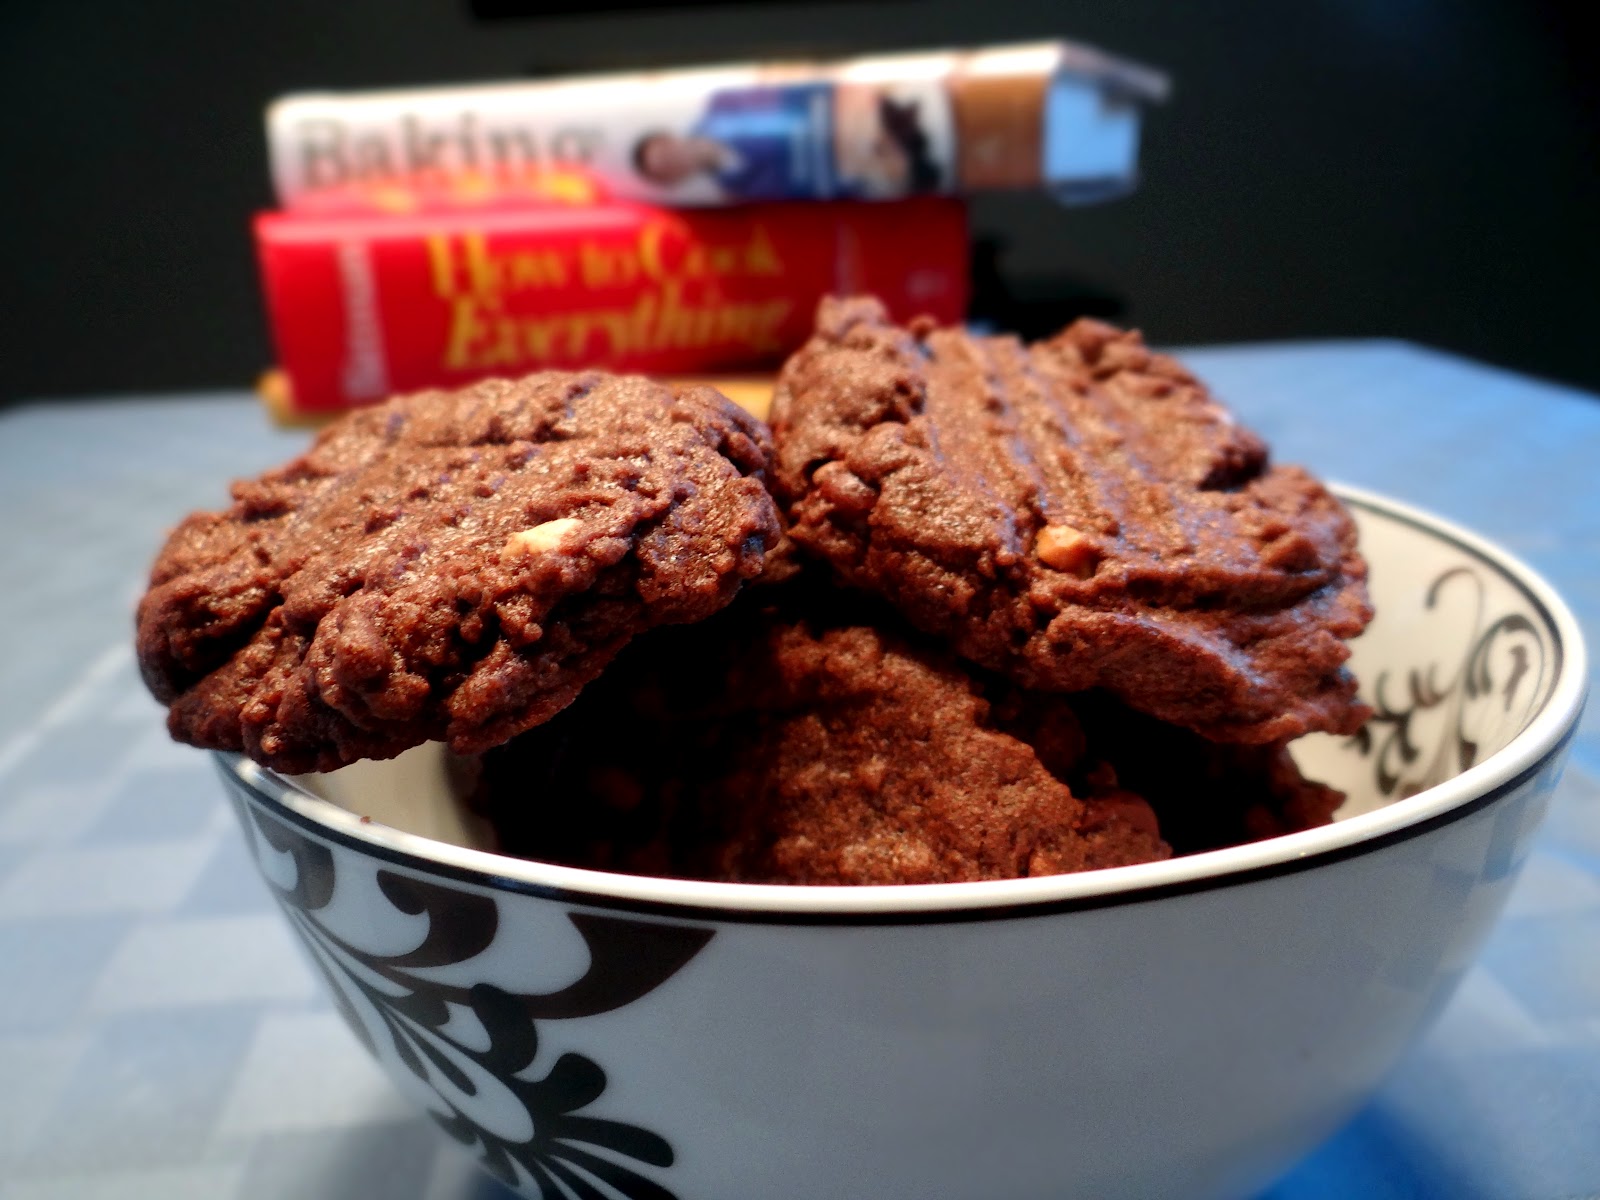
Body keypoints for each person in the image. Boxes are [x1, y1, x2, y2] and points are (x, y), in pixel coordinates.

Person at [631, 83, 942, 200]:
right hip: (873, 172)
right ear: (675, 181)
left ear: (669, 138)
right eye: (666, 171)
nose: (674, 162)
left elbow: (794, 93)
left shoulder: (723, 104)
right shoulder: (734, 190)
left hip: (861, 115)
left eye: (665, 154)